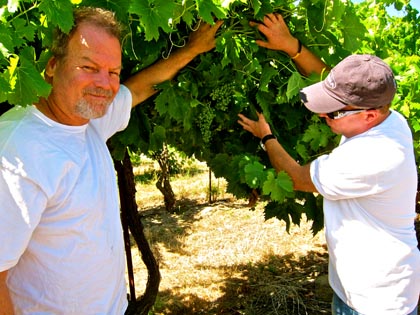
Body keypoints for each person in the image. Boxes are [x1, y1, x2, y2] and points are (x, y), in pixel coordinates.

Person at [0, 7, 222, 314]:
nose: (105, 84)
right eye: (89, 67)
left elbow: (138, 88)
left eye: (113, 72)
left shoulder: (85, 121)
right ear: (52, 65)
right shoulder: (17, 150)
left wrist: (193, 49)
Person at [239, 13, 420, 315]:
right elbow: (345, 89)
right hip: (363, 290)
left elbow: (294, 177)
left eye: (332, 113)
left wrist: (265, 135)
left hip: (375, 303)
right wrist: (291, 47)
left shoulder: (369, 158)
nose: (323, 115)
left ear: (369, 116)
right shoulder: (387, 119)